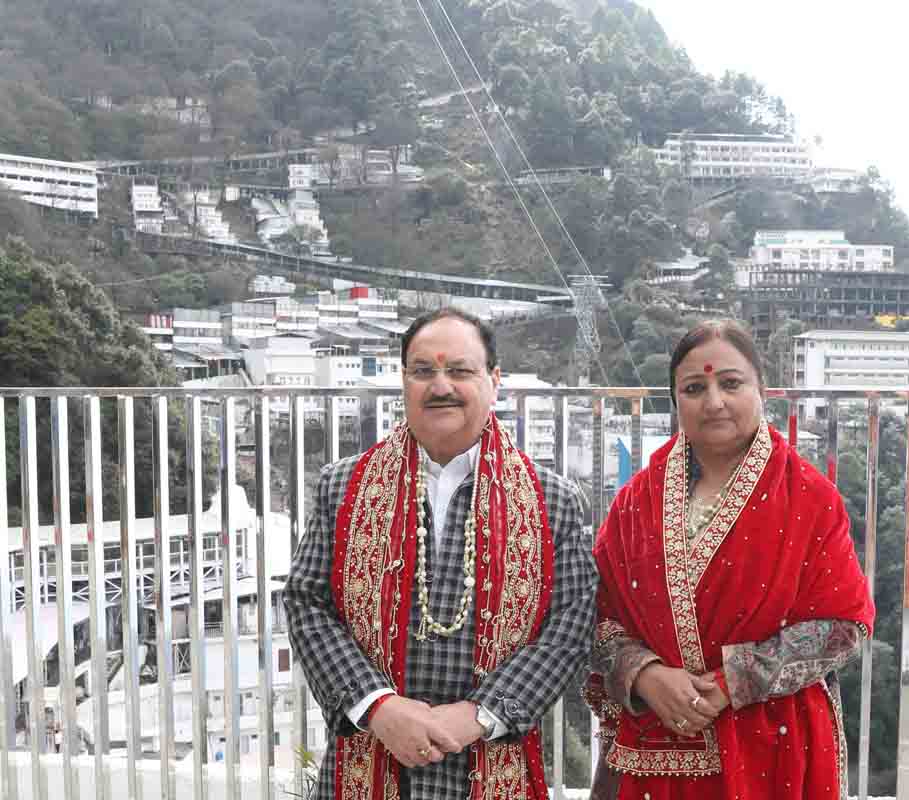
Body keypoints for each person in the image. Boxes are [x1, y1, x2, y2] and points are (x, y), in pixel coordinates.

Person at [285, 308, 597, 800]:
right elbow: (307, 602)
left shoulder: (551, 499)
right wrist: (378, 707)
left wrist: (480, 714)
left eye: (460, 370)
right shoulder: (343, 486)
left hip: (492, 756)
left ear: (493, 381)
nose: (440, 386)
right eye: (423, 371)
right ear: (404, 380)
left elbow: (572, 624)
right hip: (372, 754)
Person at [584, 319, 875, 800]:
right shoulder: (636, 501)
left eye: (731, 383)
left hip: (772, 745)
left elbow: (842, 627)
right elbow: (595, 615)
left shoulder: (809, 498)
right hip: (651, 744)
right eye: (694, 388)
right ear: (676, 401)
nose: (714, 401)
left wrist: (729, 682)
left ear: (762, 390)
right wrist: (646, 675)